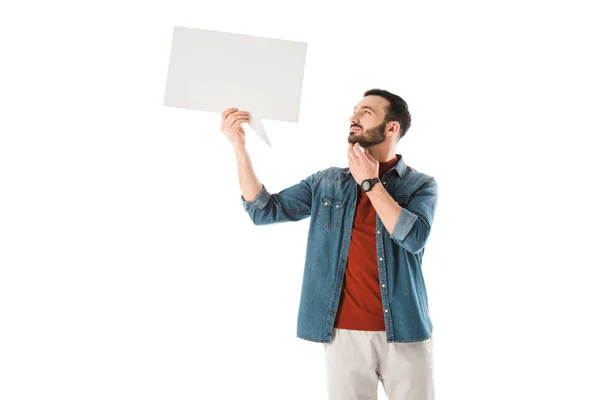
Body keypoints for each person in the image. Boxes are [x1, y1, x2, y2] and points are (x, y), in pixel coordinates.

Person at [220, 89, 438, 400]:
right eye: (354, 111)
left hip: (406, 331)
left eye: (366, 112)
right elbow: (263, 211)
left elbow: (413, 237)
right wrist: (239, 148)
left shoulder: (420, 185)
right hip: (344, 334)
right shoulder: (327, 182)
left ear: (392, 127)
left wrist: (371, 183)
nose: (353, 117)